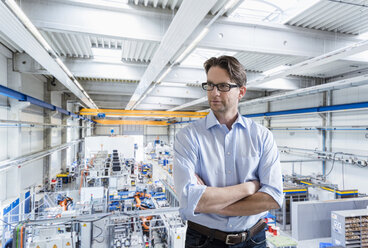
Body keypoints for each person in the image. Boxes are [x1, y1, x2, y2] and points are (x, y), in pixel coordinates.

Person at [173, 56, 283, 248]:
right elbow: (189, 199)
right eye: (210, 85)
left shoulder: (262, 136)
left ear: (241, 92)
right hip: (204, 240)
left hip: (253, 239)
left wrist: (210, 202)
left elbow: (272, 198)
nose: (214, 93)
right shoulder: (188, 137)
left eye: (223, 86)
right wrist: (249, 188)